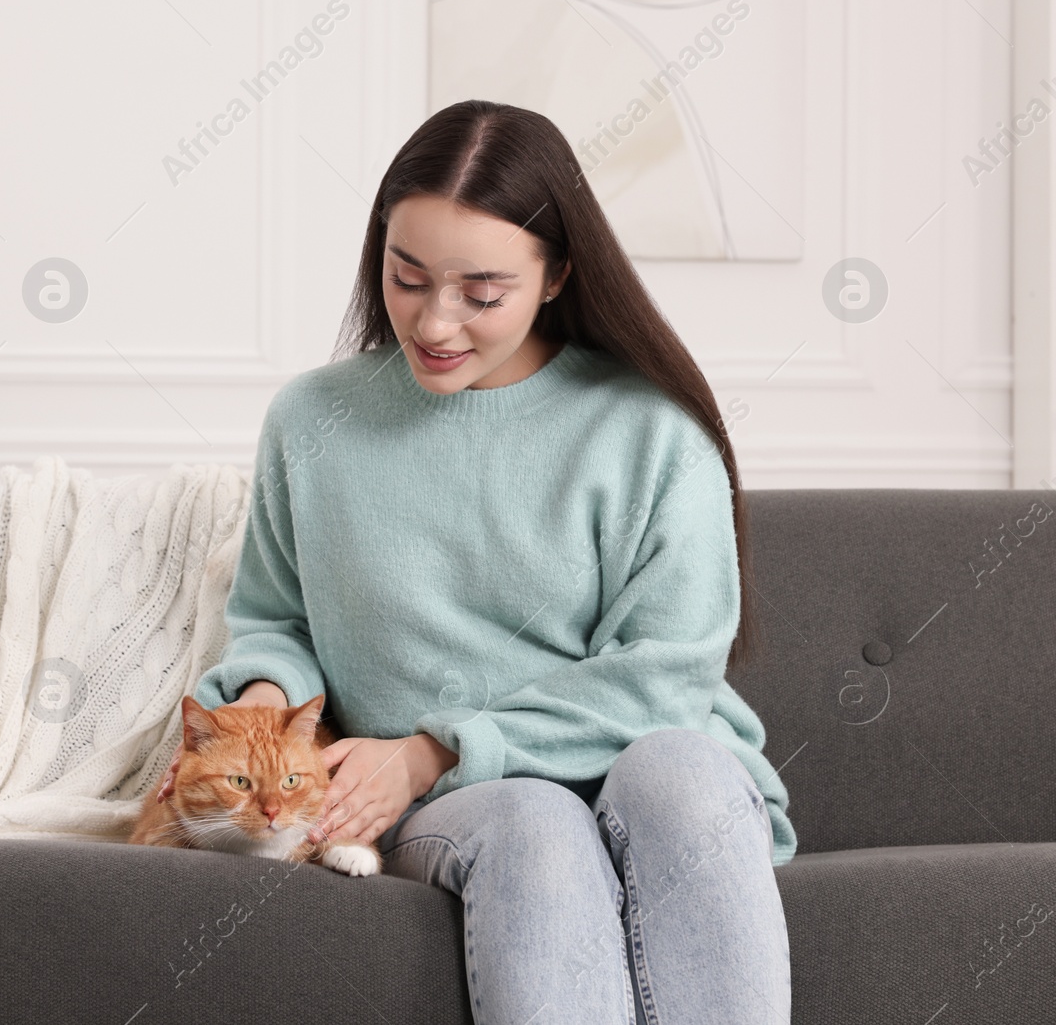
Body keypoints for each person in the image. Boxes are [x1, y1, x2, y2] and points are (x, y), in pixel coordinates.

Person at [155, 100, 793, 1023]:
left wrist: (433, 749)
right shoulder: (314, 421)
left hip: (605, 766)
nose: (435, 322)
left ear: (557, 275)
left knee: (686, 771)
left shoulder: (652, 432)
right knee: (536, 822)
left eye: (481, 293)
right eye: (407, 276)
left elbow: (664, 680)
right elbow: (277, 620)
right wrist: (261, 710)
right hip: (468, 802)